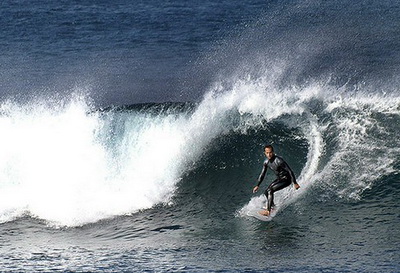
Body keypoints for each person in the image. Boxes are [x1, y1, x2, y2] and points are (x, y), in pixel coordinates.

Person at [253, 145, 300, 216]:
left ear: (273, 152)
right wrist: (257, 185)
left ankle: (268, 211)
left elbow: (290, 171)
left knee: (270, 190)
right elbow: (262, 174)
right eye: (267, 153)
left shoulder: (279, 160)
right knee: (266, 192)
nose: (269, 154)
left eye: (270, 152)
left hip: (287, 179)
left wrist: (295, 183)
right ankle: (273, 207)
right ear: (265, 153)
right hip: (280, 179)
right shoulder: (266, 162)